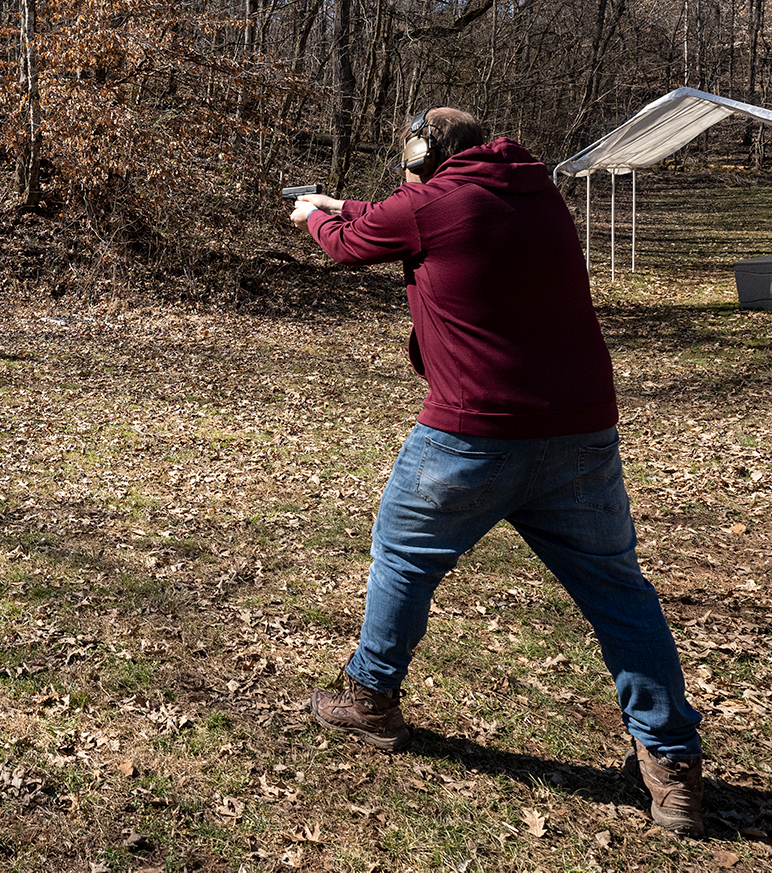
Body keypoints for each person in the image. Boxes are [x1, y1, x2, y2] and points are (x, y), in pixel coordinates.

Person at [287, 108, 705, 837]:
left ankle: (370, 696)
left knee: (401, 558)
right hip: (579, 429)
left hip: (472, 432)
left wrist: (310, 217)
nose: (403, 171)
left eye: (407, 158)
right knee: (616, 592)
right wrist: (341, 200)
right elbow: (402, 212)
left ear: (423, 155)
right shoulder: (535, 192)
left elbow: (354, 245)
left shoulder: (426, 203)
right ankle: (671, 764)